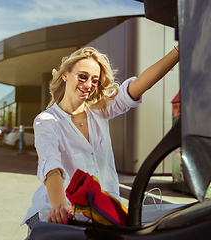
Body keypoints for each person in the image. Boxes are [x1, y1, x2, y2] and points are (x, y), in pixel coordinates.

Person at [21, 46, 179, 234]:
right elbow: (51, 165)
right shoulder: (47, 121)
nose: (88, 84)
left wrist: (179, 51)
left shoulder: (99, 112)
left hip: (103, 216)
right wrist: (59, 204)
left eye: (94, 80)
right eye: (82, 76)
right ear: (65, 75)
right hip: (57, 218)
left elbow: (140, 85)